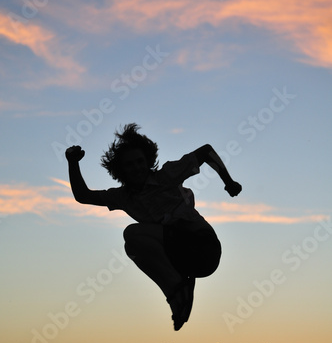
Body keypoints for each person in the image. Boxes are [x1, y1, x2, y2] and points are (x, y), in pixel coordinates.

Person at [66, 123, 242, 331]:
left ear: (148, 161)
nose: (137, 168)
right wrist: (72, 162)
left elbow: (205, 152)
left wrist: (228, 181)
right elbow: (83, 196)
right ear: (120, 169)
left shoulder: (166, 175)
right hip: (181, 257)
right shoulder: (123, 197)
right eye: (130, 165)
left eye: (140, 162)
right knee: (132, 246)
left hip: (203, 246)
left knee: (132, 232)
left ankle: (177, 287)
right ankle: (176, 293)